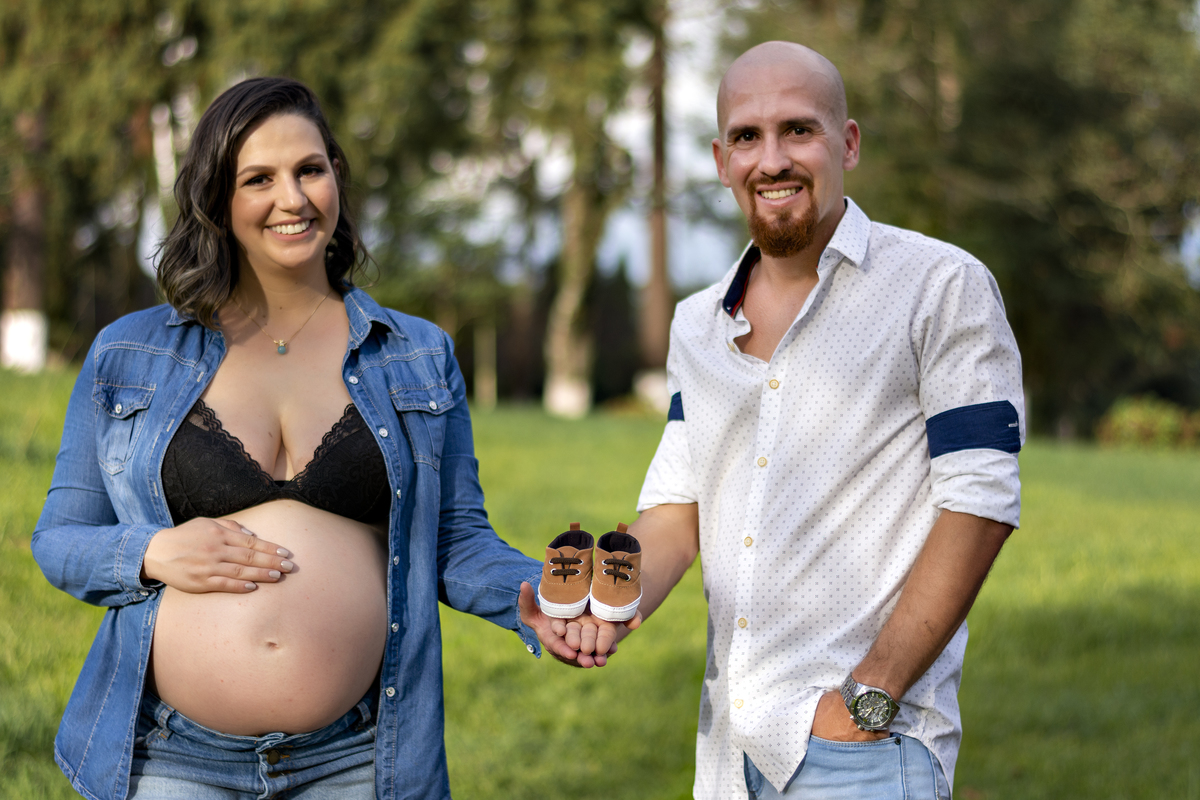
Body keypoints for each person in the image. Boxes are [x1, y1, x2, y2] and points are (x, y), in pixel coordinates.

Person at [31, 76, 601, 800]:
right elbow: (58, 538)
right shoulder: (130, 354)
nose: (293, 199)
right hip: (169, 757)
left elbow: (455, 539)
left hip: (357, 759)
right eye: (258, 179)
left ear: (336, 173)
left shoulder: (417, 355)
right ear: (216, 199)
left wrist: (536, 600)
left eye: (309, 169)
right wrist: (151, 551)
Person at [612, 41, 1025, 799]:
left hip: (865, 751)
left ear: (849, 142)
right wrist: (605, 604)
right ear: (720, 158)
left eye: (798, 130)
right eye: (747, 136)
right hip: (729, 755)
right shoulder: (696, 325)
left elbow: (981, 500)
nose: (771, 160)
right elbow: (675, 508)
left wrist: (869, 698)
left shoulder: (942, 286)